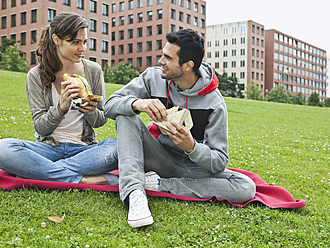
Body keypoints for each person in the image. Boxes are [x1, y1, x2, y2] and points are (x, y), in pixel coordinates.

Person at [104, 29, 256, 228]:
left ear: (188, 66)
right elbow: (109, 105)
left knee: (246, 187)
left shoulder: (215, 104)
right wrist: (138, 104)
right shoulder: (152, 77)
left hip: (192, 168)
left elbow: (219, 161)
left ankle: (158, 185)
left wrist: (192, 146)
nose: (160, 61)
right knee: (125, 114)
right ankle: (135, 194)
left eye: (168, 57)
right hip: (158, 157)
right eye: (162, 54)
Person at [0, 12, 118, 185]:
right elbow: (41, 128)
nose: (82, 48)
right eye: (75, 42)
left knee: (119, 146)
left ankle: (40, 170)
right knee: (3, 148)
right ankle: (81, 180)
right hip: (48, 148)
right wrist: (61, 107)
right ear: (56, 39)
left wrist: (90, 110)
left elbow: (100, 121)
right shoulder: (36, 75)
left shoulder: (93, 70)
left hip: (84, 150)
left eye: (84, 42)